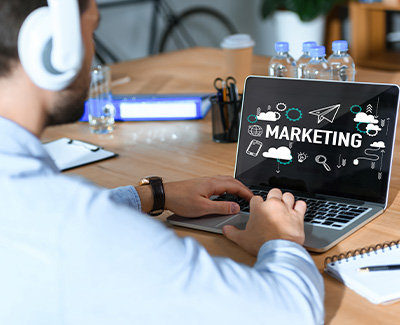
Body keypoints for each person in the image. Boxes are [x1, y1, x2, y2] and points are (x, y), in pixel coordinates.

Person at [0, 0, 324, 324]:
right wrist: (279, 240)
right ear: (54, 48)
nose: (92, 49)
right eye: (91, 30)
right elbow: (290, 312)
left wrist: (155, 195)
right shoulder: (76, 227)